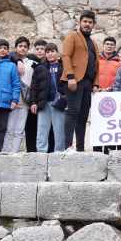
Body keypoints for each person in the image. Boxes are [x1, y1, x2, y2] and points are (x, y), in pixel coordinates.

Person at [62, 11, 100, 151]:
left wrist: (95, 83)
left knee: (83, 116)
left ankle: (80, 148)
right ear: (80, 22)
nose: (87, 24)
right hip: (75, 81)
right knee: (73, 112)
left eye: (90, 22)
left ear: (93, 25)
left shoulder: (93, 43)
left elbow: (96, 64)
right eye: (85, 21)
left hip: (88, 83)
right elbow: (65, 56)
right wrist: (70, 77)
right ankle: (67, 146)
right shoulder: (72, 36)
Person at [30, 43, 67, 153]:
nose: (50, 54)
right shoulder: (40, 68)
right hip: (43, 103)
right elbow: (34, 87)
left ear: (57, 53)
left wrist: (67, 100)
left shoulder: (64, 67)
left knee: (59, 130)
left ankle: (59, 153)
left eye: (52, 51)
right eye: (48, 52)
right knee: (42, 130)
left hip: (59, 103)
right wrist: (33, 102)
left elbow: (67, 86)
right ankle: (41, 152)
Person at [2, 37, 35, 152]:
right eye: (20, 46)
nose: (22, 48)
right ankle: (5, 151)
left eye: (25, 46)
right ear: (16, 48)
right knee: (8, 128)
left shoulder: (32, 64)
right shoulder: (10, 60)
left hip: (25, 100)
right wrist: (17, 60)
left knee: (19, 129)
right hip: (11, 99)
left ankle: (14, 152)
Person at [24, 39, 47, 152]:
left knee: (44, 127)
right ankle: (31, 150)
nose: (40, 51)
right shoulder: (29, 60)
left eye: (42, 49)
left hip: (44, 100)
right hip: (30, 98)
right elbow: (15, 55)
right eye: (37, 49)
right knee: (31, 126)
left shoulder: (50, 63)